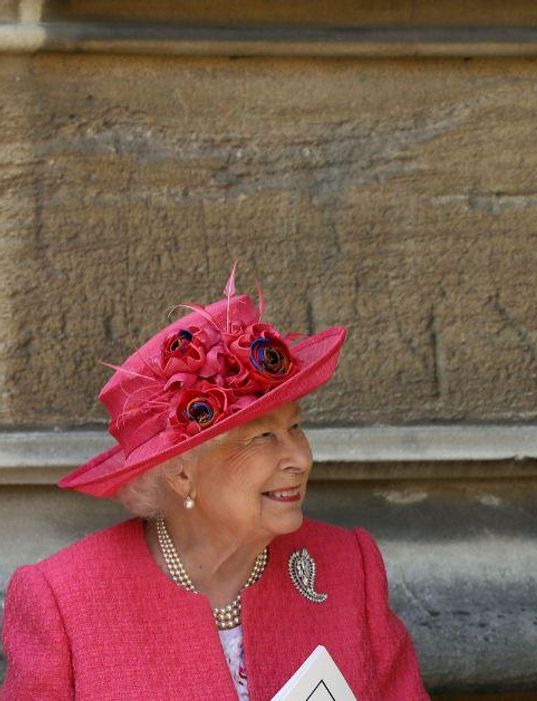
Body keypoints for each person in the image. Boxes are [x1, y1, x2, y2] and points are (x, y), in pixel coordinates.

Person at [1, 267, 431, 700]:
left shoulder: (348, 567)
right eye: (263, 437)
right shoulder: (63, 600)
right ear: (181, 471)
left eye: (296, 427)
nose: (300, 458)